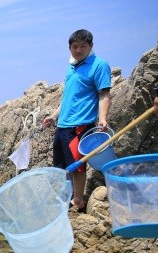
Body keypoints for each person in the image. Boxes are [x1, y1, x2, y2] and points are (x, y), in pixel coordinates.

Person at [43, 29, 111, 213]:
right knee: (60, 166)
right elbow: (67, 96)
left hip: (80, 125)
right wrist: (54, 116)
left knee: (77, 165)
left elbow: (104, 93)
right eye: (75, 47)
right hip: (63, 125)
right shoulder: (72, 67)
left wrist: (103, 119)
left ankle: (78, 201)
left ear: (91, 46)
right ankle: (65, 199)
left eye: (83, 46)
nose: (79, 50)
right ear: (69, 48)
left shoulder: (99, 65)